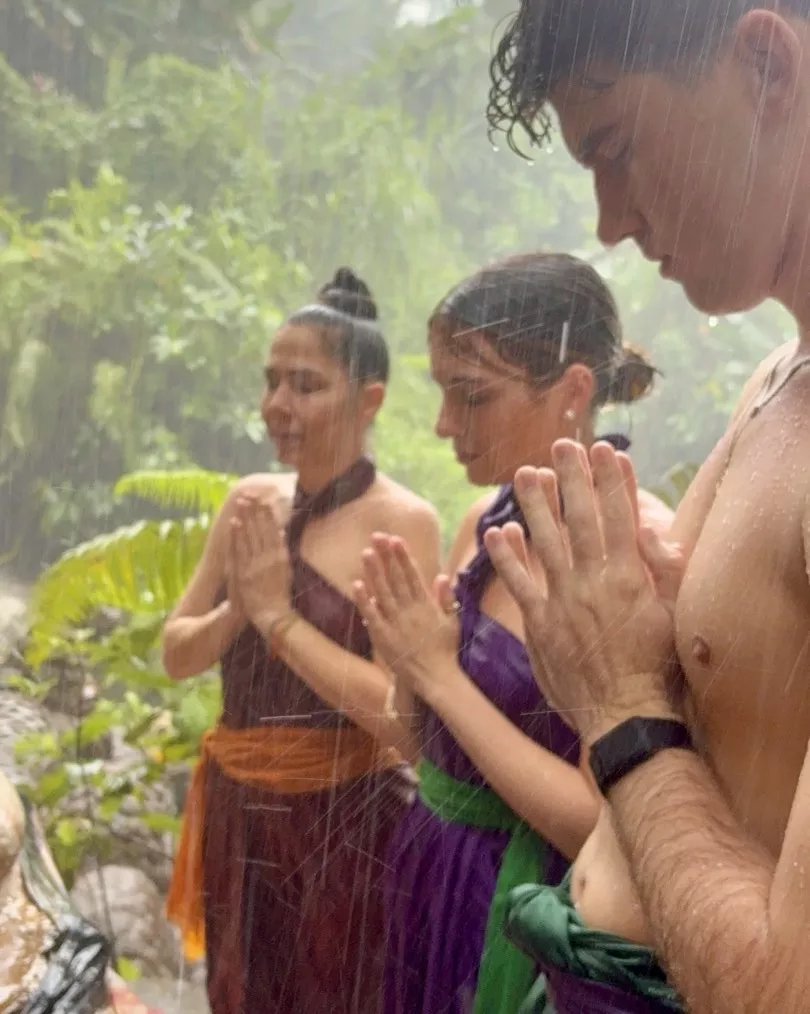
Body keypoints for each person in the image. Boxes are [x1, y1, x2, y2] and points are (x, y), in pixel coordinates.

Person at [481, 4, 810, 1013]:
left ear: (766, 67)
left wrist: (622, 705)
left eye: (617, 148)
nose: (610, 220)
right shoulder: (776, 376)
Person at [353, 253, 673, 1014]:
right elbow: (428, 752)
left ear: (573, 391)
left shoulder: (633, 552)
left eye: (472, 395)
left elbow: (604, 821)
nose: (444, 424)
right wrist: (408, 665)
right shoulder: (487, 520)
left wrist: (440, 678)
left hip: (525, 905)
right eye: (442, 392)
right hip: (432, 871)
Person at [161, 268, 439, 1014]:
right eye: (271, 381)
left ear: (369, 400)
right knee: (239, 994)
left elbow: (402, 715)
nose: (277, 405)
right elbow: (177, 653)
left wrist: (280, 620)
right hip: (239, 818)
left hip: (345, 825)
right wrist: (243, 611)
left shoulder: (401, 523)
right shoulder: (249, 503)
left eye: (306, 385)